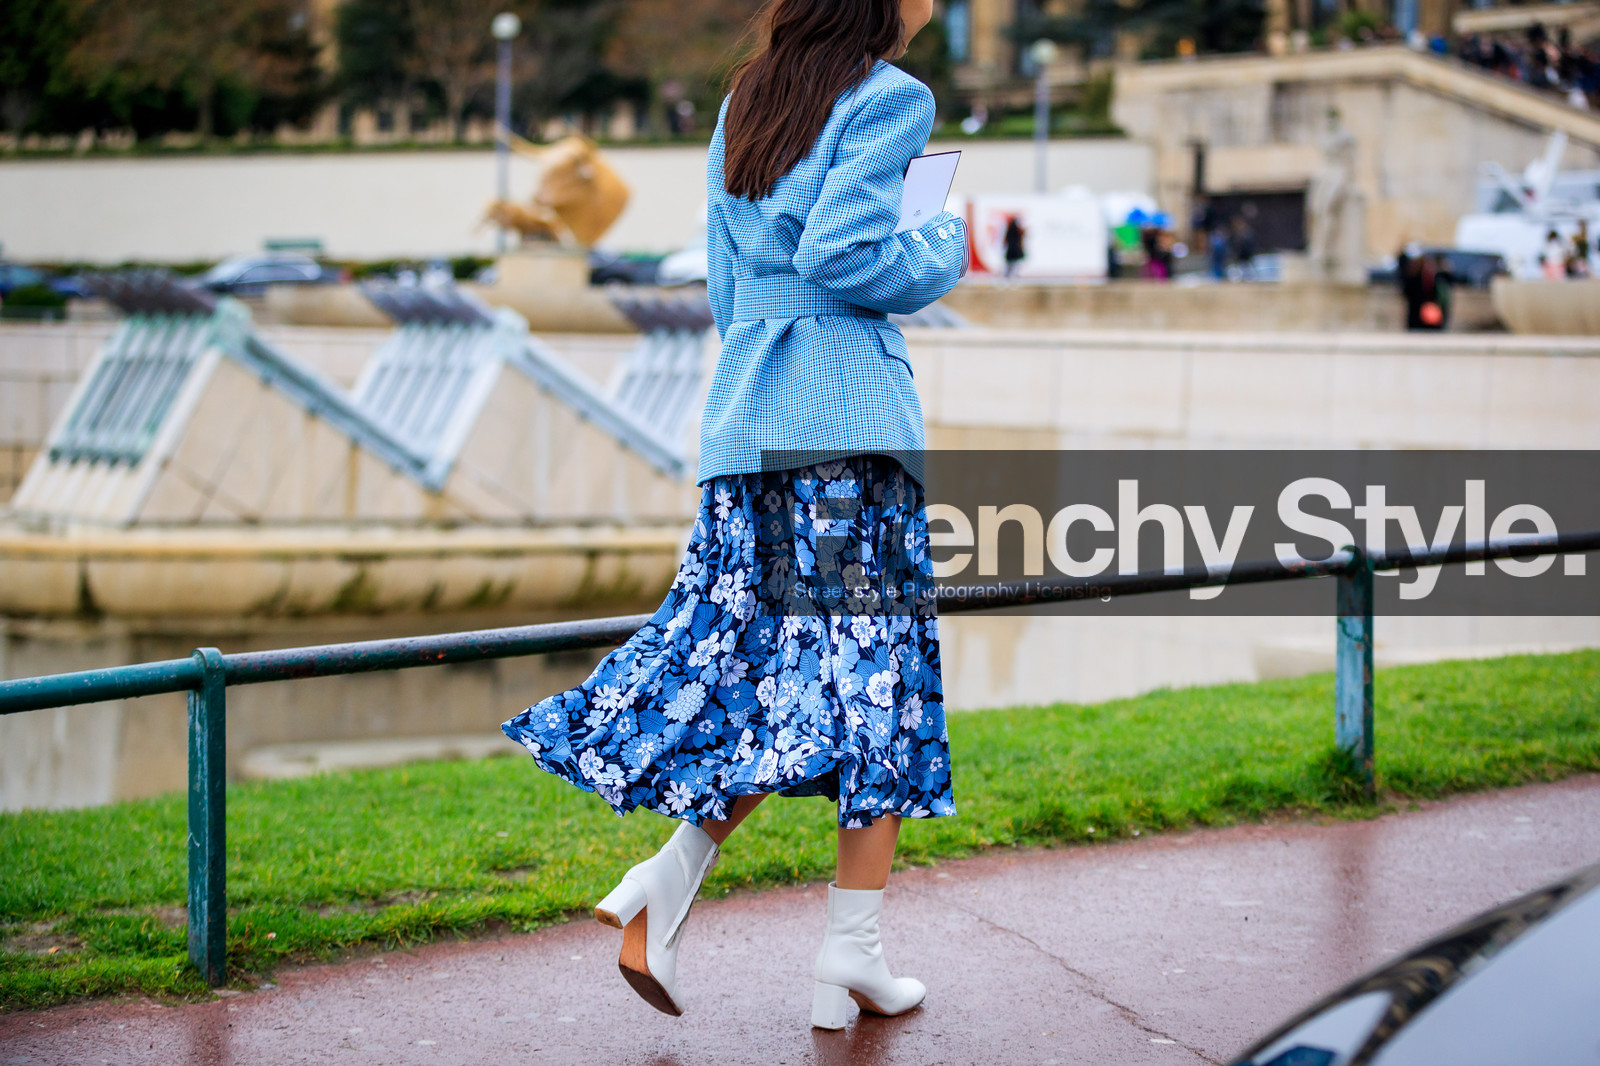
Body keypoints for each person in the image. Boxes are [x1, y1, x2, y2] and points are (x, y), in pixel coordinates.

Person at [501, 0, 964, 1032]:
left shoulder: (746, 99)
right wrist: (942, 243)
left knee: (772, 675)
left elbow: (723, 283)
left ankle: (676, 881)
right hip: (846, 429)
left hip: (748, 418)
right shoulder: (892, 99)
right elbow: (847, 254)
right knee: (875, 685)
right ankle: (845, 946)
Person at [1002, 214, 1026, 279]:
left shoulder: (1011, 229)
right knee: (1014, 263)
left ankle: (1010, 274)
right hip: (1014, 248)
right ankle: (1012, 274)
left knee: (1011, 263)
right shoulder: (1017, 229)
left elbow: (1006, 239)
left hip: (1012, 248)